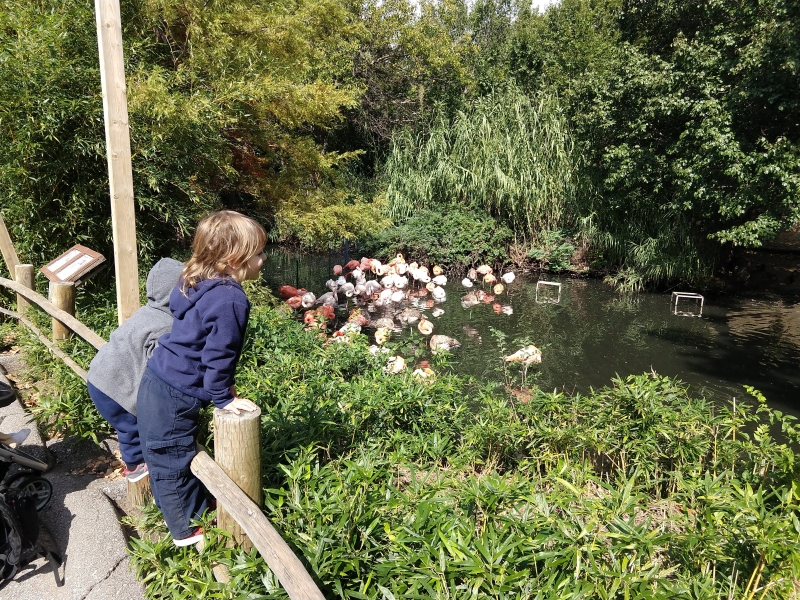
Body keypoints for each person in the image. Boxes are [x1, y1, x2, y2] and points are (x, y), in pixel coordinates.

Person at [137, 210, 264, 547]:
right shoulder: (231, 298)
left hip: (160, 377)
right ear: (237, 258)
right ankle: (185, 530)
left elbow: (200, 341)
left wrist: (226, 389)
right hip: (176, 392)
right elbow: (218, 354)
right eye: (259, 252)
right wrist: (224, 398)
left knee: (167, 452)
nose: (264, 259)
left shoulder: (196, 281)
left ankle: (189, 507)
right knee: (172, 458)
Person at [87, 258, 184, 482]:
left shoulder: (146, 312)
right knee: (132, 425)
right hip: (114, 388)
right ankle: (136, 468)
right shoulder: (167, 324)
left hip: (98, 377)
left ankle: (137, 463)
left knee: (126, 426)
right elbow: (159, 366)